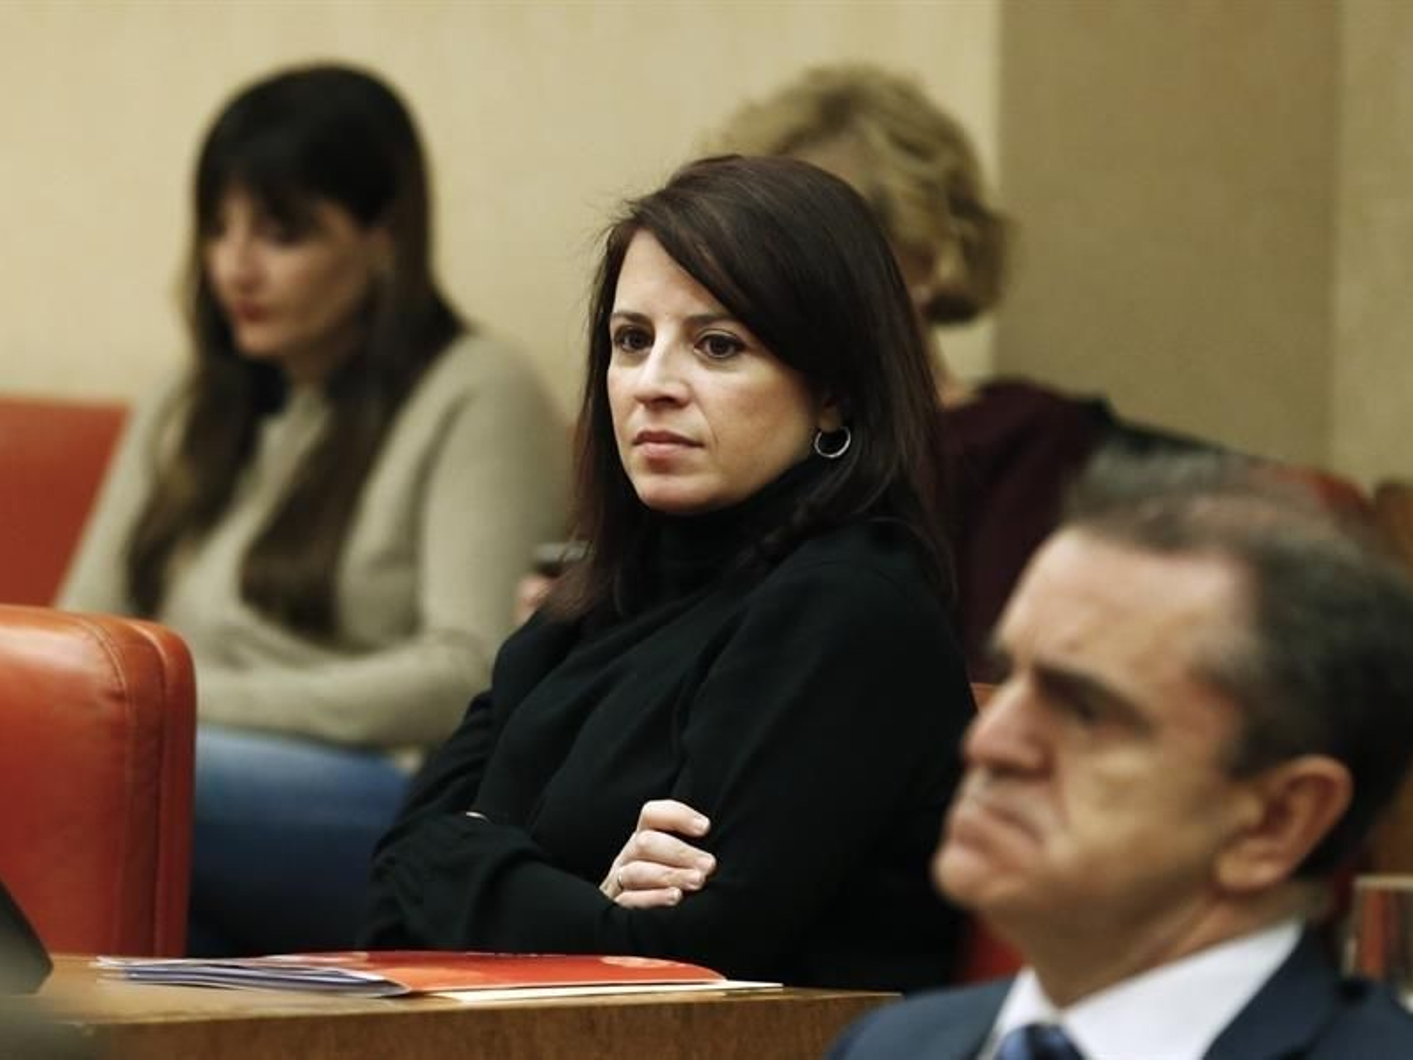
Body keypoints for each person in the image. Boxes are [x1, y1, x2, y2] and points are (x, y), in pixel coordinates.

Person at [361, 155, 974, 992]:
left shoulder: (847, 606)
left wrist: (475, 858)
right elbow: (396, 874)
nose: (653, 385)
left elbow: (692, 958)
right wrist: (585, 902)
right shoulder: (593, 599)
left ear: (834, 392)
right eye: (631, 341)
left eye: (717, 346)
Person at [57, 63, 567, 955]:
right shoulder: (187, 400)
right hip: (179, 761)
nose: (234, 267)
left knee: (99, 772)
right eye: (218, 229)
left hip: (378, 793)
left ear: (382, 238)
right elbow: (76, 643)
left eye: (281, 233)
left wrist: (178, 703)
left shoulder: (478, 391)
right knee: (55, 770)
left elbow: (467, 672)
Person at [830, 452, 1413, 1059]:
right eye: (1012, 677)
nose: (989, 742)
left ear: (1276, 821)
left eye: (1086, 710)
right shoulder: (891, 1046)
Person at [716, 64, 1199, 677]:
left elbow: (994, 677)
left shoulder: (1021, 439)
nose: (779, 280)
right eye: (760, 247)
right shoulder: (741, 428)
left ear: (925, 257)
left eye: (826, 243)